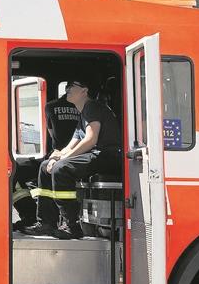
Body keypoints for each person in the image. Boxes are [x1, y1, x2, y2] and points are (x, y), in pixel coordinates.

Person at [21, 80, 122, 240]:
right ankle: (46, 222)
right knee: (45, 167)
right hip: (98, 154)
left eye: (72, 86)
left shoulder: (92, 107)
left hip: (108, 156)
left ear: (84, 90)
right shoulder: (82, 114)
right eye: (66, 86)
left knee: (62, 169)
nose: (67, 89)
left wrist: (62, 160)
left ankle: (72, 226)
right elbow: (71, 145)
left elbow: (90, 139)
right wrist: (55, 157)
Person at [12, 88, 81, 233]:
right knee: (19, 168)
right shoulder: (83, 109)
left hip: (60, 155)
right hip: (70, 154)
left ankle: (35, 217)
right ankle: (32, 217)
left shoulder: (51, 107)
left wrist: (57, 155)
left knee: (16, 170)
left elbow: (51, 132)